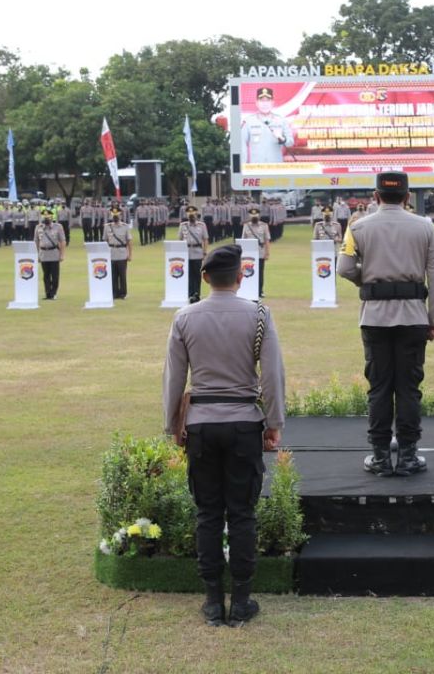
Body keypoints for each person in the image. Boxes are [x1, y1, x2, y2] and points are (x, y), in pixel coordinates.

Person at [162, 244, 285, 627]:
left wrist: (172, 425)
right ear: (241, 277)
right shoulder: (259, 315)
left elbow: (174, 379)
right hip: (243, 423)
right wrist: (274, 422)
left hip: (200, 423)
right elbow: (272, 375)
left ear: (204, 278)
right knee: (243, 512)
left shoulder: (185, 317)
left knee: (209, 513)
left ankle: (214, 600)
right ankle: (243, 599)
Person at [337, 171, 434, 477]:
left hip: (375, 317)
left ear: (375, 196)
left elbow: (344, 268)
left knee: (380, 387)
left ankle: (381, 456)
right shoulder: (425, 227)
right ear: (408, 197)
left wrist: (369, 278)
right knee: (409, 388)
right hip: (413, 316)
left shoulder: (357, 227)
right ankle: (409, 455)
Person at [240, 86, 294, 164]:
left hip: (276, 168)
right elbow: (242, 145)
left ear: (272, 103)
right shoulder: (248, 122)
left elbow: (290, 143)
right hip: (256, 168)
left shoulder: (282, 121)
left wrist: (281, 137)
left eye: (268, 101)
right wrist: (243, 166)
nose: (265, 104)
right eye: (261, 101)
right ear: (256, 103)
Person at [35, 208, 66, 300]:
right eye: (45, 217)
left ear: (52, 217)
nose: (46, 219)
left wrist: (62, 254)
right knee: (46, 276)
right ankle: (48, 293)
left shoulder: (58, 227)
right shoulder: (38, 227)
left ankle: (54, 293)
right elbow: (36, 241)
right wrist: (37, 254)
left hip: (54, 253)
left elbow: (63, 241)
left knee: (55, 276)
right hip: (43, 253)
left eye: (48, 217)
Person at [179, 206, 209, 303]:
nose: (191, 216)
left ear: (196, 214)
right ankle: (190, 294)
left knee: (197, 274)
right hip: (186, 252)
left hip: (197, 252)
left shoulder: (202, 225)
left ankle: (197, 293)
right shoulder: (183, 225)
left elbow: (205, 239)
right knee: (188, 274)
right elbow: (179, 239)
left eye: (193, 214)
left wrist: (205, 252)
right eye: (189, 214)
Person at [240, 207, 270, 298]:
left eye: (256, 214)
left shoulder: (264, 226)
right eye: (252, 214)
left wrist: (267, 253)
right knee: (248, 271)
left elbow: (267, 240)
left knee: (260, 272)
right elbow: (243, 240)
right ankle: (250, 290)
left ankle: (260, 291)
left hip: (260, 252)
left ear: (259, 215)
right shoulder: (246, 226)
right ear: (249, 216)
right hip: (249, 255)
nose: (254, 216)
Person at [104, 205, 132, 300]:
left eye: (117, 215)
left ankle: (123, 293)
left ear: (120, 215)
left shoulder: (125, 227)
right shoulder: (107, 227)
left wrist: (130, 254)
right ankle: (114, 293)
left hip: (122, 253)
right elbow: (105, 241)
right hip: (111, 253)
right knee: (113, 275)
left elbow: (129, 242)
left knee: (122, 275)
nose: (115, 217)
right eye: (113, 215)